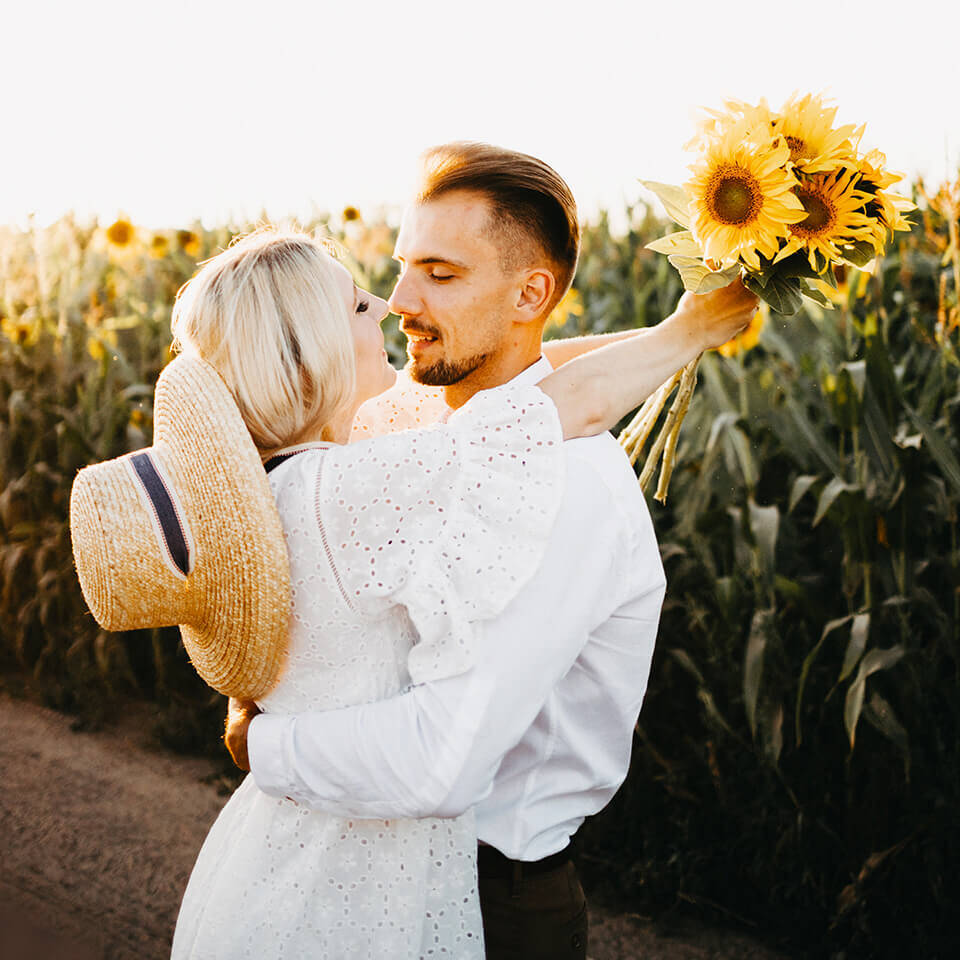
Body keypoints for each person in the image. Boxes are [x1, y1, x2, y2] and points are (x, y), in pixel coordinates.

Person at [223, 143, 759, 959]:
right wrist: (670, 334)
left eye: (440, 273)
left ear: (531, 292)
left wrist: (261, 742)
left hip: (484, 899)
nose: (400, 299)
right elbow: (536, 392)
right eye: (404, 267)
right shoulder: (434, 431)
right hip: (369, 867)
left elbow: (443, 763)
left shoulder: (561, 486)